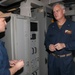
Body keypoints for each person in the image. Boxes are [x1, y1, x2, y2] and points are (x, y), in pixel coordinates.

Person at [45, 3, 75, 75]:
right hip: (53, 60)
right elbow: (46, 40)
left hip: (66, 61)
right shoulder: (51, 26)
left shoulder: (72, 25)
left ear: (63, 11)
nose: (55, 13)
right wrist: (49, 46)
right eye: (54, 12)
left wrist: (64, 45)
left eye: (57, 11)